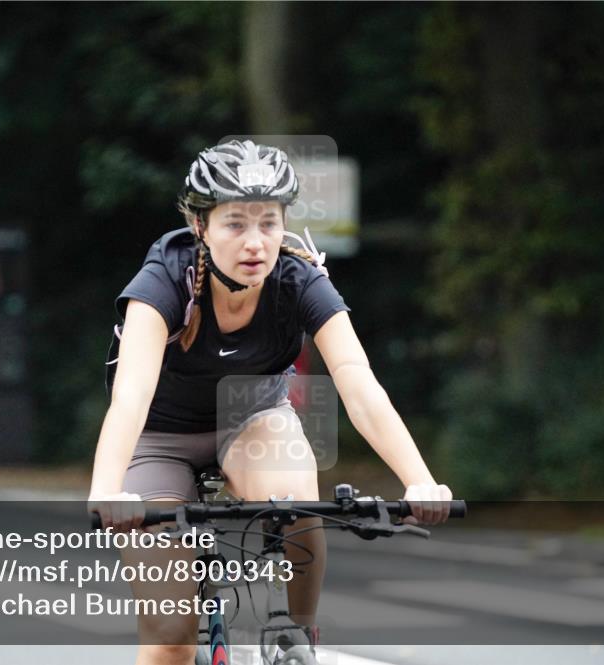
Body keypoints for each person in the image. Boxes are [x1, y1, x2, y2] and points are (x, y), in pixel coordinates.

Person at [89, 140, 453, 665]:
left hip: (252, 420)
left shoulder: (299, 279)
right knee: (170, 638)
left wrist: (418, 479)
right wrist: (106, 490)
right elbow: (131, 396)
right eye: (235, 223)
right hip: (158, 440)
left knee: (293, 501)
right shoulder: (163, 280)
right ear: (200, 227)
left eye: (269, 223)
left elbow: (357, 382)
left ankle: (298, 635)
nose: (255, 242)